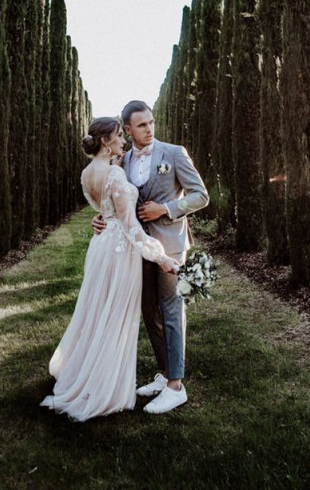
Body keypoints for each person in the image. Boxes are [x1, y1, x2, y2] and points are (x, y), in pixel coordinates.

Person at [40, 117, 180, 422]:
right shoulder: (115, 174)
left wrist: (101, 220)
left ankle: (88, 374)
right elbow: (131, 228)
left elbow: (102, 211)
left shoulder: (86, 173)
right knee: (116, 317)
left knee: (98, 312)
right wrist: (162, 258)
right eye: (119, 136)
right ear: (106, 141)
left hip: (101, 247)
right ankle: (106, 387)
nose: (123, 141)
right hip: (121, 252)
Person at [92, 100, 209, 414]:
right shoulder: (122, 160)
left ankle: (176, 386)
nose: (150, 129)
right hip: (136, 248)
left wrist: (167, 209)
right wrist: (102, 219)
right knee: (148, 310)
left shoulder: (174, 153)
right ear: (127, 130)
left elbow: (201, 195)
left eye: (152, 123)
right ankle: (165, 372)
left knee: (171, 309)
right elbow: (116, 202)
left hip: (169, 246)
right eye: (141, 125)